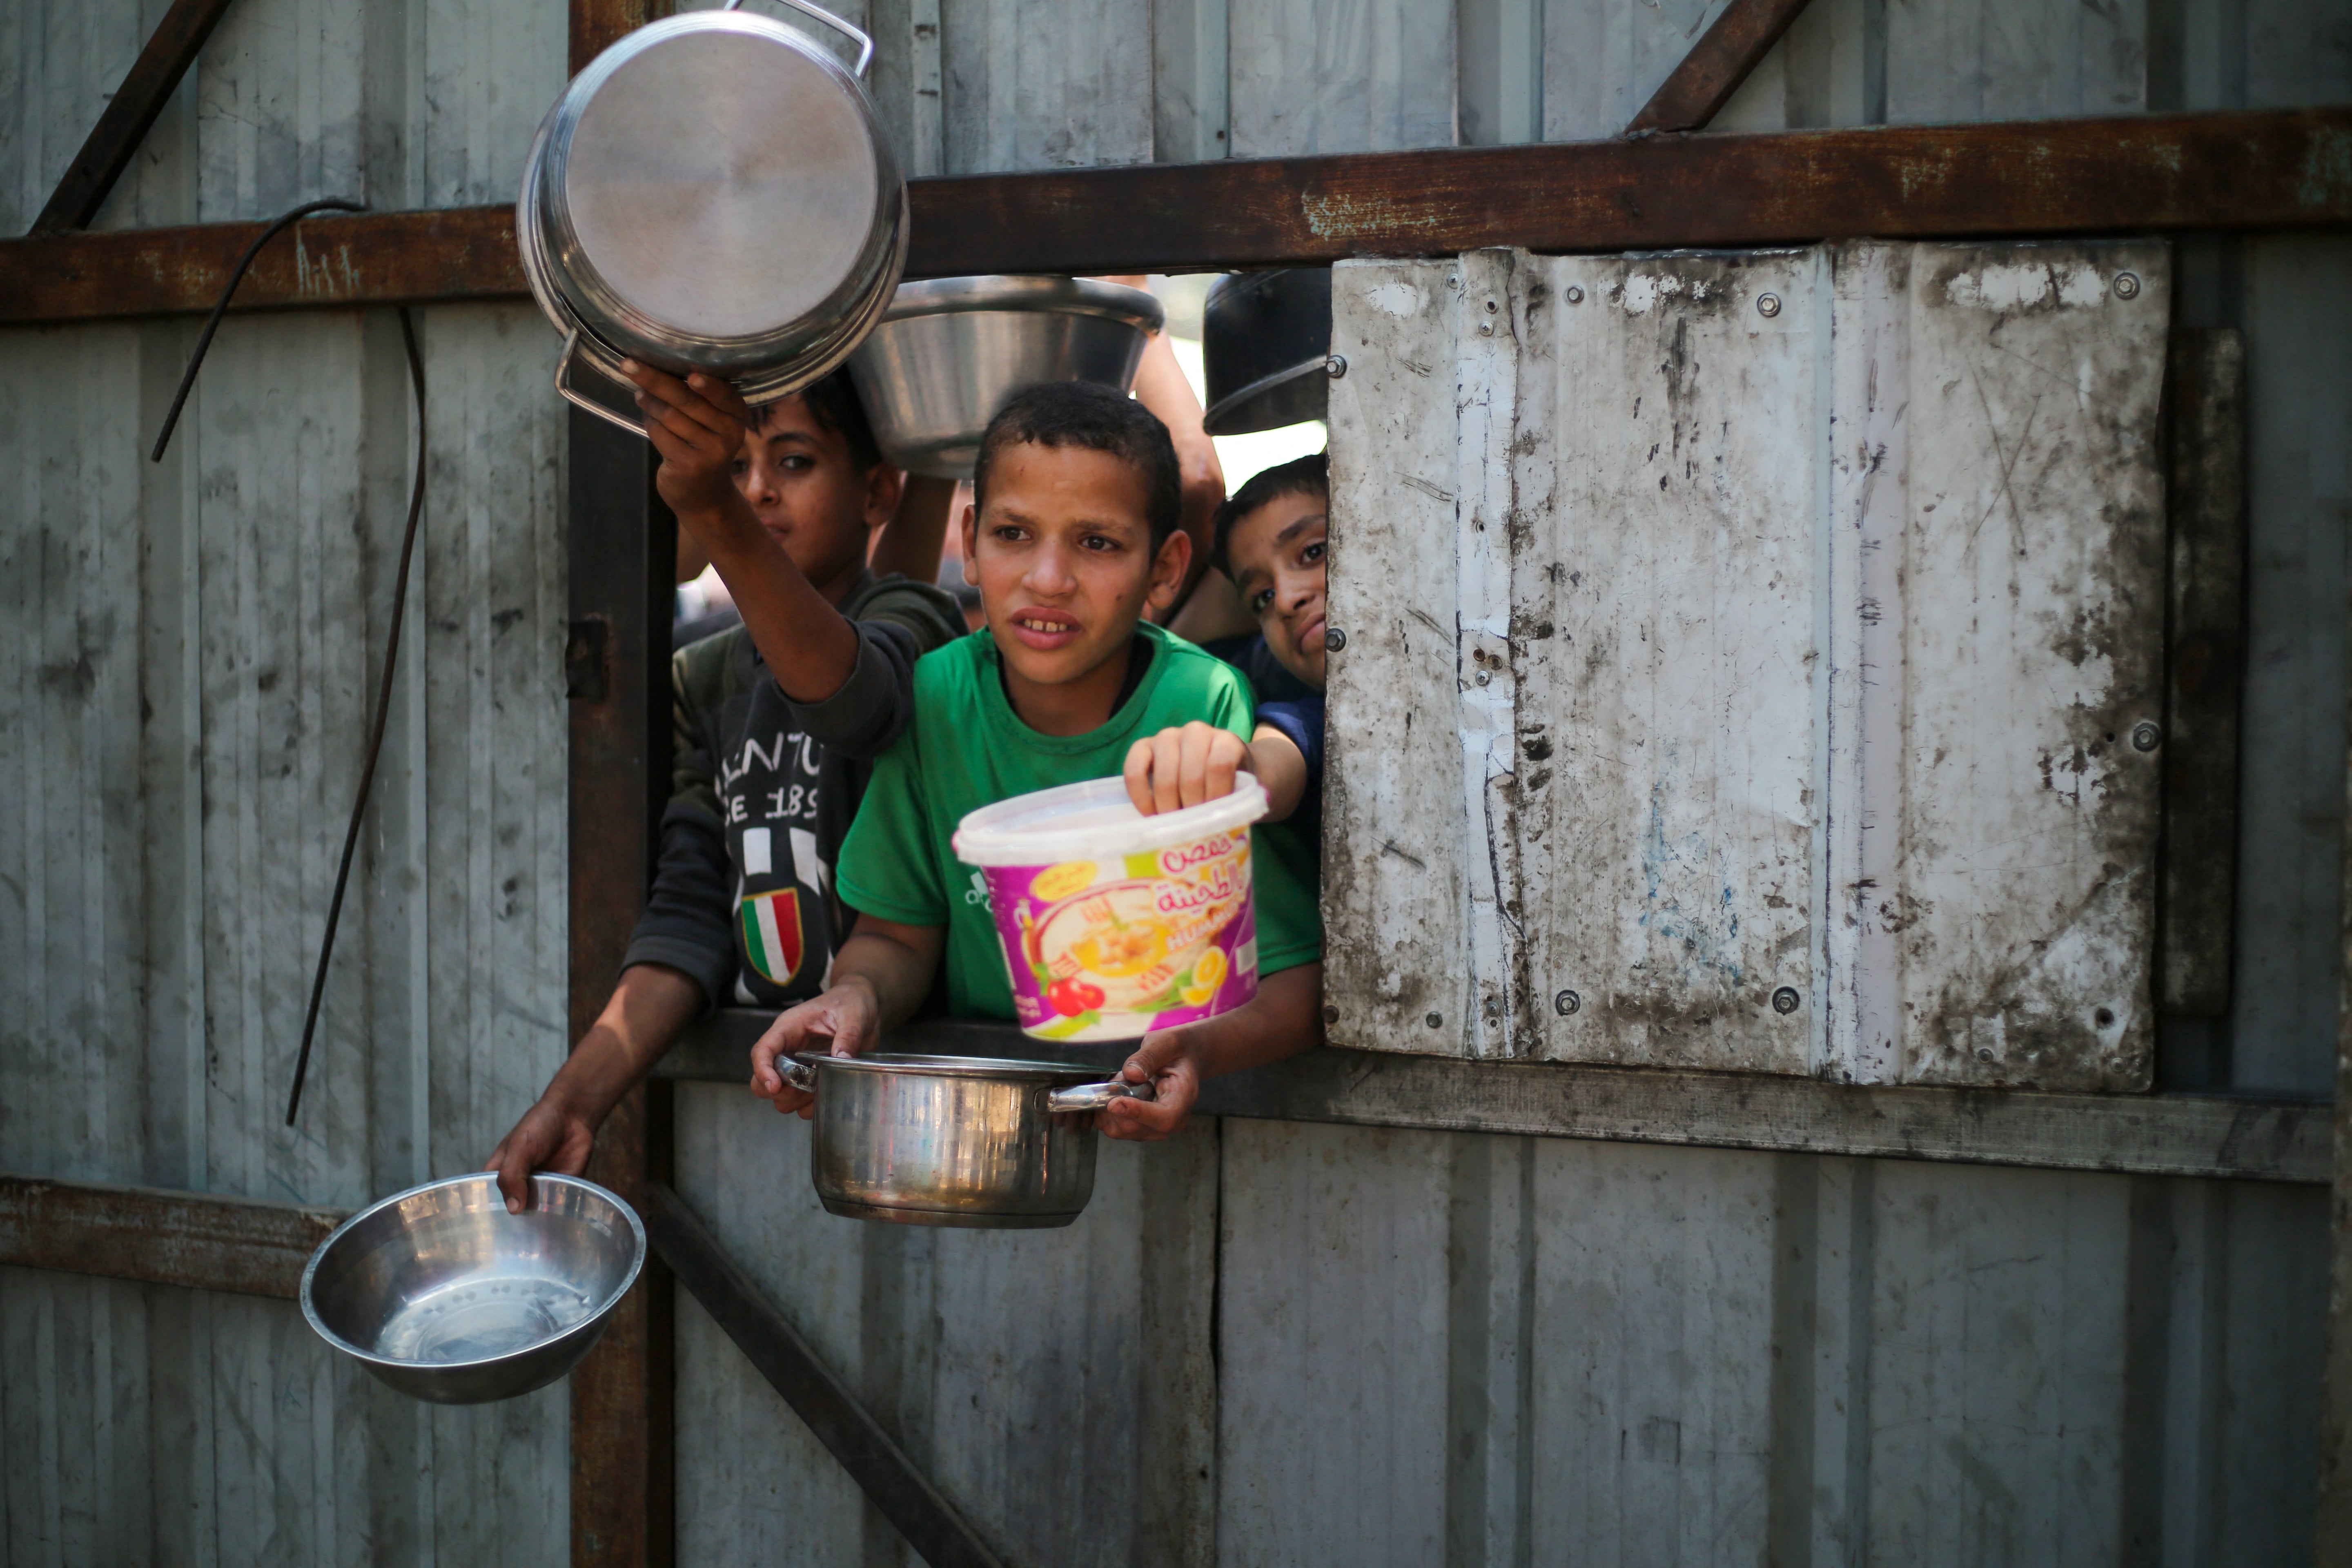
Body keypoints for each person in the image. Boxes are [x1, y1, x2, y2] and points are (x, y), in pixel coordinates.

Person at [746, 382, 1325, 1142]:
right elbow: (896, 937)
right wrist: (855, 998)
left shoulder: (1201, 702)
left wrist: (1202, 1048)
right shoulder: (939, 697)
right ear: (972, 541)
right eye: (1014, 534)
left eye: (1097, 543)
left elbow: (1292, 977)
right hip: (975, 1128)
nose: (1047, 579)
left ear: (1165, 569)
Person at [483, 364, 966, 1212]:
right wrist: (576, 1097)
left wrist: (710, 505)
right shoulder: (701, 678)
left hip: (921, 1093)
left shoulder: (916, 619)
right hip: (766, 1099)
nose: (758, 493)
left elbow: (853, 703)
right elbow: (690, 917)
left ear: (879, 489)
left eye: (794, 462)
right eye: (737, 467)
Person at [1127, 453, 1329, 898]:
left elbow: (1200, 480)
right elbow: (1277, 758)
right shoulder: (1304, 703)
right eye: (1262, 596)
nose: (1286, 601)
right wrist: (1238, 766)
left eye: (1314, 552)